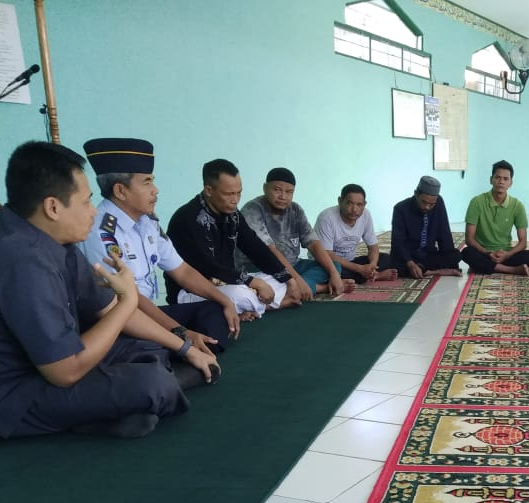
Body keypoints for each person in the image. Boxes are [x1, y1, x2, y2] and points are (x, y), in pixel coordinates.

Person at [0, 141, 217, 441]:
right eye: (87, 202)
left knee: (150, 346)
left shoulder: (56, 240)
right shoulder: (22, 261)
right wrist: (128, 302)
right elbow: (66, 371)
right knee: (151, 384)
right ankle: (119, 406)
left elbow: (107, 308)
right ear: (52, 207)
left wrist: (183, 347)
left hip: (53, 363)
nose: (93, 212)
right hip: (9, 392)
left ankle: (112, 410)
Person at [81, 137, 240, 355]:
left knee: (215, 309)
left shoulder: (148, 222)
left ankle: (190, 351)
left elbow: (182, 271)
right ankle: (181, 352)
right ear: (120, 191)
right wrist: (180, 331)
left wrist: (225, 301)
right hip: (122, 320)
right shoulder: (101, 231)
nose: (155, 190)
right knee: (151, 346)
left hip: (150, 313)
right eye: (147, 182)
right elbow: (128, 298)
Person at [166, 158, 307, 316]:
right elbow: (209, 266)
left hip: (228, 282)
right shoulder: (189, 218)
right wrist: (251, 282)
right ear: (209, 190)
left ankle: (250, 307)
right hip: (193, 291)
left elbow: (255, 247)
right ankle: (269, 306)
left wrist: (288, 278)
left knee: (276, 280)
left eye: (239, 193)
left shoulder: (232, 214)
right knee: (242, 295)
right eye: (229, 194)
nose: (235, 200)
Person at [241, 167, 354, 296]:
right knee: (264, 282)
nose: (283, 196)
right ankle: (318, 288)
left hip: (293, 265)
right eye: (277, 190)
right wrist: (296, 280)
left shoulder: (295, 210)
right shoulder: (252, 210)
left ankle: (292, 290)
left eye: (289, 192)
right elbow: (270, 251)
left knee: (333, 266)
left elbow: (313, 243)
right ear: (265, 188)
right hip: (261, 268)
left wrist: (334, 275)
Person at [460, 160, 529, 275]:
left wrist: (506, 255)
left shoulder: (517, 206)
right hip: (483, 252)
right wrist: (487, 253)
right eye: (497, 177)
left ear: (511, 183)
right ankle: (511, 270)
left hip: (505, 253)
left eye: (506, 179)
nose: (501, 182)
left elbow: (523, 242)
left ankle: (485, 266)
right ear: (491, 180)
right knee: (466, 252)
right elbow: (469, 239)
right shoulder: (477, 202)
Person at [313, 184, 397, 284]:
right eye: (349, 203)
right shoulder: (326, 218)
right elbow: (327, 255)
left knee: (388, 258)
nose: (354, 209)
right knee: (329, 272)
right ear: (340, 201)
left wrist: (372, 266)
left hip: (351, 262)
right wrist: (360, 269)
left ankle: (372, 274)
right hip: (329, 263)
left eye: (359, 205)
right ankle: (374, 276)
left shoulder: (365, 215)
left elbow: (373, 247)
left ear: (364, 204)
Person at [389, 175, 461, 278]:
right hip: (408, 256)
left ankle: (424, 269)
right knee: (394, 267)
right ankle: (430, 270)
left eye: (431, 204)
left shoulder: (439, 202)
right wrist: (410, 263)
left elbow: (444, 233)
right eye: (424, 202)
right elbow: (398, 242)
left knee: (456, 255)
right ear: (416, 194)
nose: (427, 207)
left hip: (428, 255)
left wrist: (449, 256)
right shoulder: (400, 208)